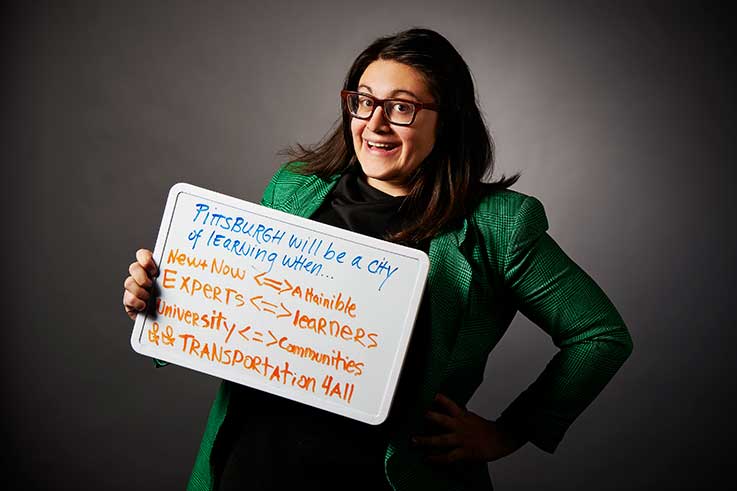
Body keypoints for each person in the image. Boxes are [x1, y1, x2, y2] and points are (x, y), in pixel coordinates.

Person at [122, 28, 633, 491]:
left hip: (389, 477)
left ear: (447, 120)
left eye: (402, 107)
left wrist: (510, 432)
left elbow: (599, 335)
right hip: (255, 466)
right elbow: (237, 318)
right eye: (363, 102)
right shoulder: (293, 189)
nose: (375, 123)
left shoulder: (499, 225)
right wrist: (159, 301)